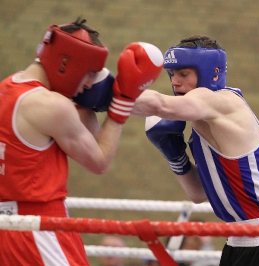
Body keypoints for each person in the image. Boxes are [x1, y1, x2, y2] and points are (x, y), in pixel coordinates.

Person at [0, 18, 163, 265]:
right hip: (39, 230)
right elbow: (99, 162)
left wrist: (87, 101)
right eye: (89, 73)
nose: (89, 83)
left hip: (8, 226)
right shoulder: (51, 106)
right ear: (66, 62)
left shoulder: (7, 88)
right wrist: (123, 101)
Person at [131, 35, 259, 266]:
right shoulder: (203, 119)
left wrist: (107, 92)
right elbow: (198, 194)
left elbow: (159, 105)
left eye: (184, 74)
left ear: (210, 74)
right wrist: (175, 154)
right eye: (172, 74)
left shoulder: (222, 101)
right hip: (236, 243)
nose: (175, 82)